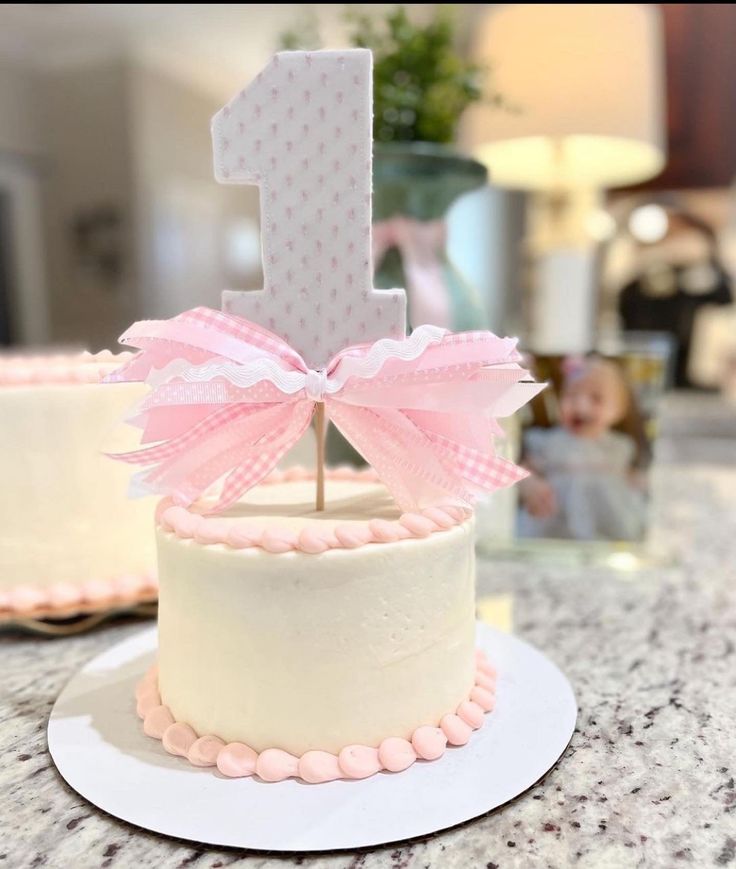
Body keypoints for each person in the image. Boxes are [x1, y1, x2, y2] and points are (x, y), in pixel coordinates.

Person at [517, 356, 647, 541]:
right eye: (572, 395)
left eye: (596, 399)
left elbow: (630, 476)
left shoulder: (618, 446)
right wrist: (528, 484)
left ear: (618, 410)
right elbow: (524, 469)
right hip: (553, 525)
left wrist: (639, 483)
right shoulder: (549, 442)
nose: (581, 405)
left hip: (606, 523)